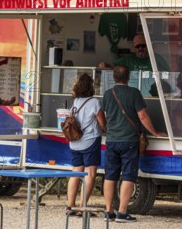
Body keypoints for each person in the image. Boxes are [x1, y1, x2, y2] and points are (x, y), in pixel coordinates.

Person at [102, 65, 166, 222]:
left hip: (111, 140)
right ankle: (122, 213)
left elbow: (105, 115)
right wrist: (155, 132)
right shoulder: (134, 93)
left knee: (110, 175)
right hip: (129, 140)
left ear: (114, 77)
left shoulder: (107, 94)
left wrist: (108, 130)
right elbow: (143, 116)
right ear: (128, 77)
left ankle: (109, 211)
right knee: (129, 176)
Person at [66, 73, 106, 216]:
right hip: (90, 141)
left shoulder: (76, 101)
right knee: (90, 173)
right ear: (91, 86)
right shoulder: (94, 102)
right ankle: (82, 208)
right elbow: (102, 123)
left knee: (76, 171)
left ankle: (70, 206)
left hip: (75, 143)